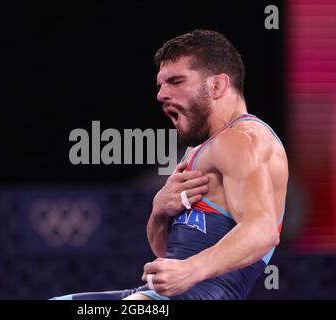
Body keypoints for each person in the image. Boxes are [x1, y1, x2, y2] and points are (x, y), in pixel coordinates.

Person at [52, 29, 288, 300]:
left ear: (217, 86)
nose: (161, 94)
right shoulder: (197, 148)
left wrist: (191, 269)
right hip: (160, 294)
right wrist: (160, 210)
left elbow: (263, 231)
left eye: (176, 81)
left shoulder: (244, 139)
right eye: (161, 85)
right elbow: (166, 251)